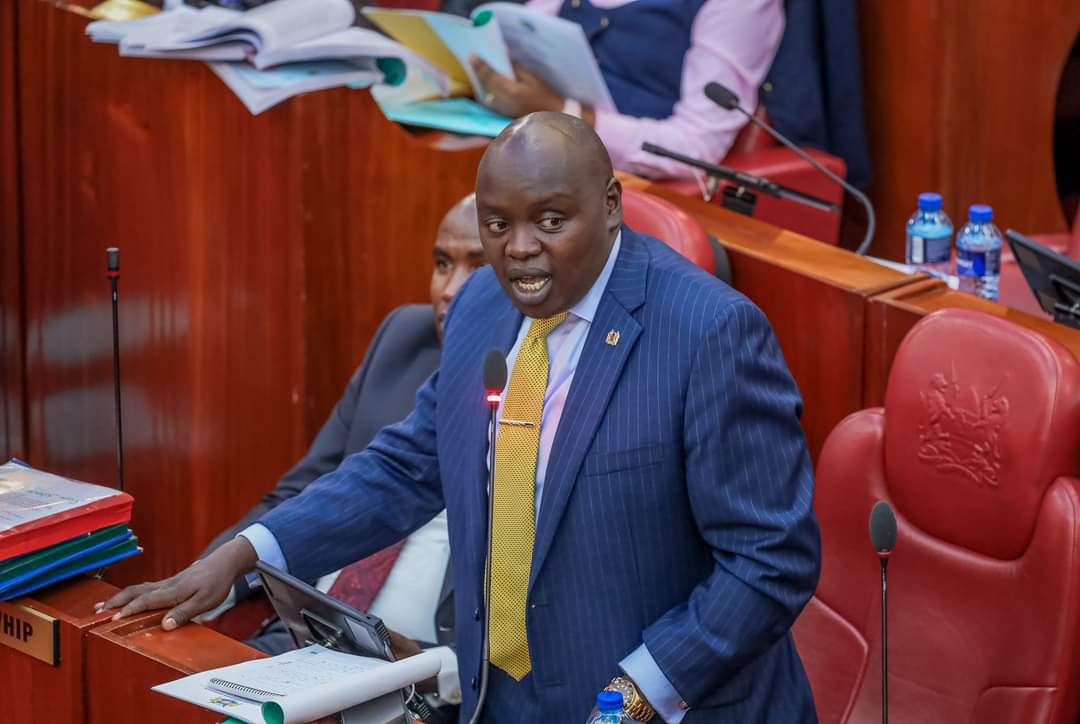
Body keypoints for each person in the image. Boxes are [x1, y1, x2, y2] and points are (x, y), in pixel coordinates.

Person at [100, 113, 820, 723]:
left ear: (609, 205)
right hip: (502, 700)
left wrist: (633, 697)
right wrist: (244, 555)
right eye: (498, 224)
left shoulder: (709, 333)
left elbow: (769, 562)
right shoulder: (483, 307)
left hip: (658, 705)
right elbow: (411, 463)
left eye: (550, 220)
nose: (520, 250)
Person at [203, 194, 485, 718]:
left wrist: (439, 666)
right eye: (443, 263)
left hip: (422, 683)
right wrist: (215, 578)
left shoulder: (542, 385)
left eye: (478, 266)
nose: (449, 290)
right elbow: (301, 490)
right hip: (303, 645)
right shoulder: (405, 337)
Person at [469, 0, 784, 180]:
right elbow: (519, 39)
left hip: (623, 189)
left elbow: (697, 148)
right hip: (532, 154)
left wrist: (564, 112)